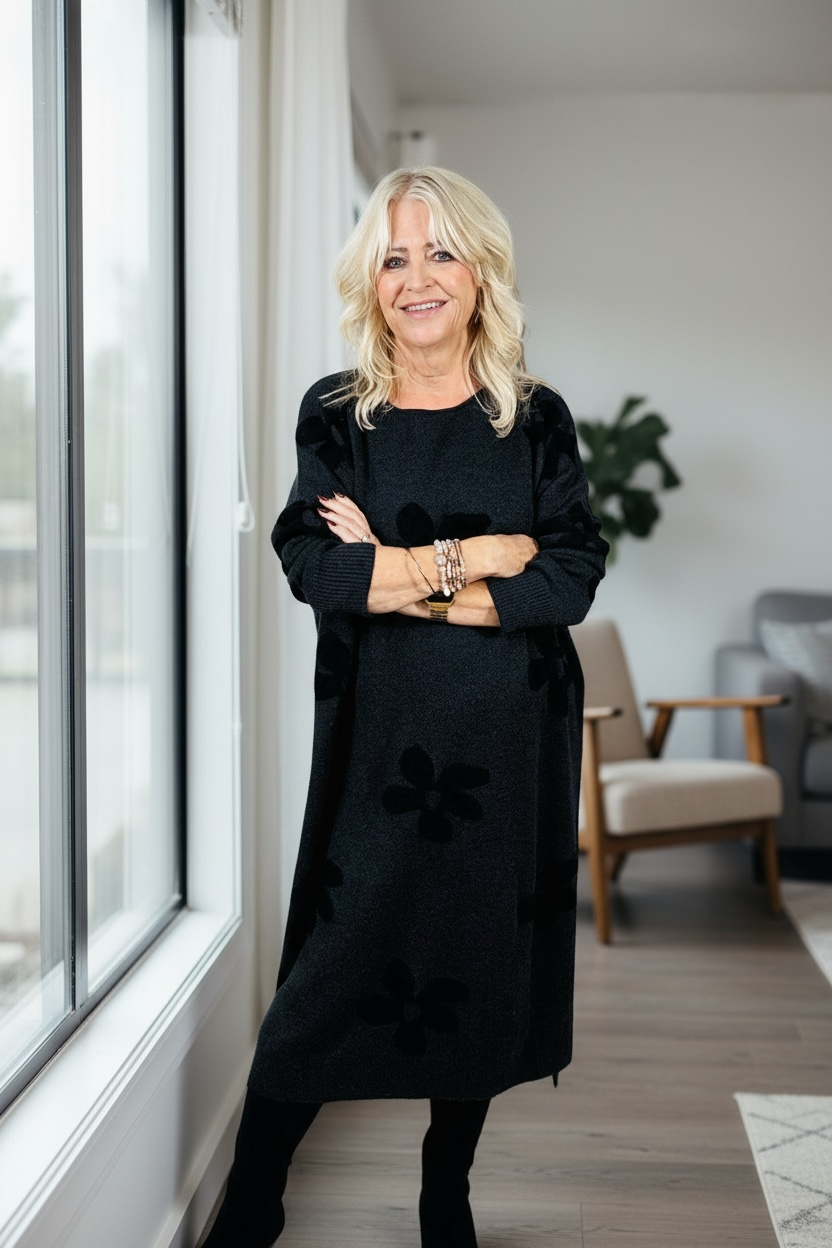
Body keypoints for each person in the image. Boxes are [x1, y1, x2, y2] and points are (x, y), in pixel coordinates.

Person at [202, 166, 608, 1248]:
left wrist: (401, 572)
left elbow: (568, 579)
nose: (416, 277)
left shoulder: (535, 416)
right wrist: (484, 556)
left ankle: (445, 1187)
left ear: (480, 271)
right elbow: (317, 570)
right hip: (379, 743)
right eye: (393, 256)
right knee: (328, 969)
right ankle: (253, 1199)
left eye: (439, 252)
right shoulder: (340, 414)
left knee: (476, 963)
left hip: (510, 741)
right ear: (369, 279)